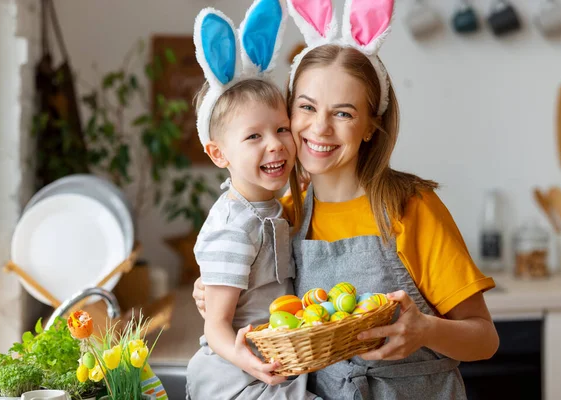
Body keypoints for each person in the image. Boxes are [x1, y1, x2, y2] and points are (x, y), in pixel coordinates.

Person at [193, 0, 499, 399]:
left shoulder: (410, 208)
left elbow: (485, 339)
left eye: (343, 114)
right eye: (306, 107)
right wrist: (214, 287)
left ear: (371, 126)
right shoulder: (286, 218)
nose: (319, 128)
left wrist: (426, 329)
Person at [185, 1, 320, 399]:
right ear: (218, 154)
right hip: (236, 375)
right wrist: (247, 361)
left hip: (274, 361)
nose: (276, 145)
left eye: (281, 129)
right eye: (253, 137)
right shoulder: (234, 226)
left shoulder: (271, 207)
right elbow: (216, 324)